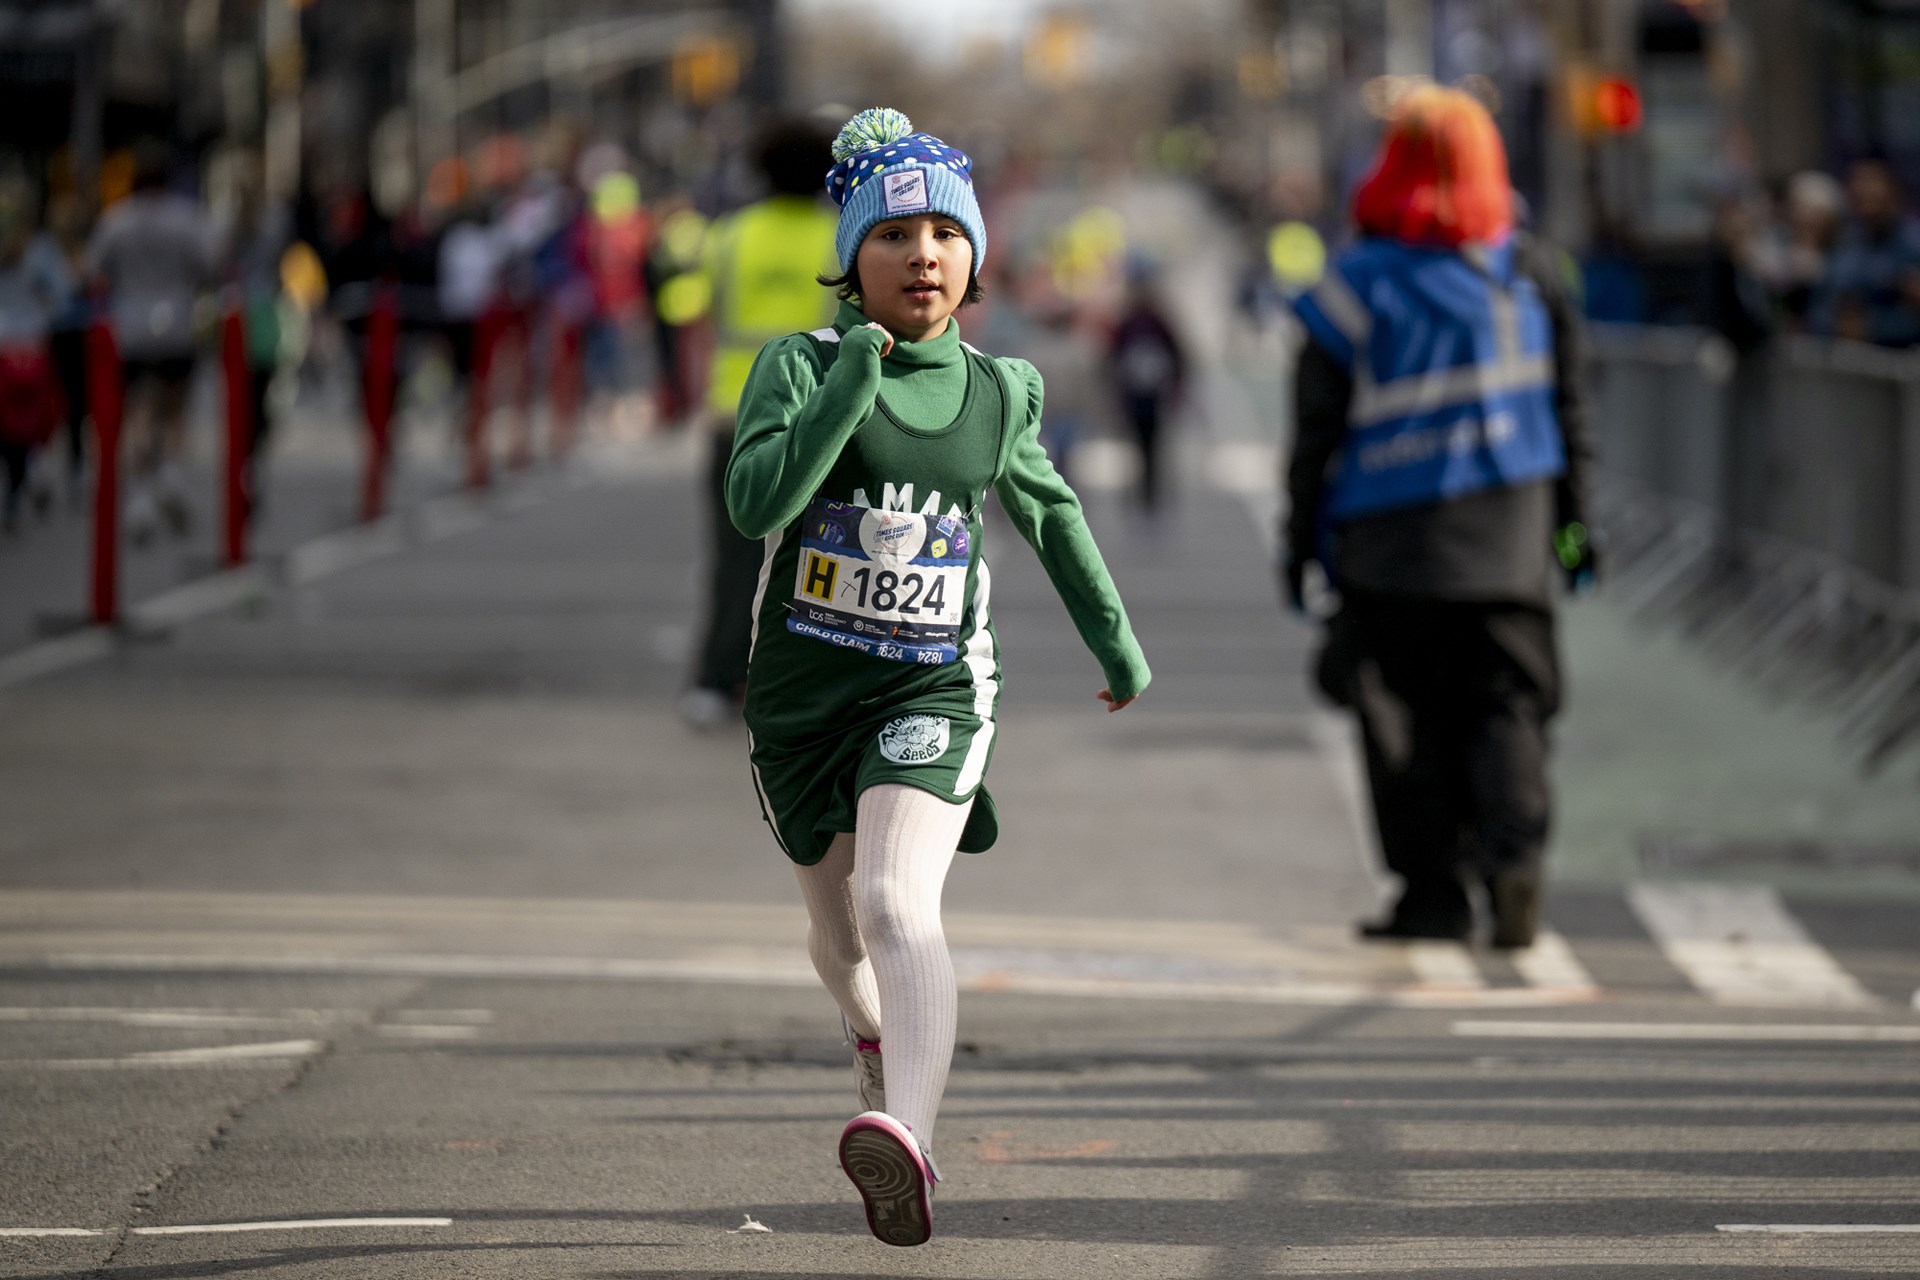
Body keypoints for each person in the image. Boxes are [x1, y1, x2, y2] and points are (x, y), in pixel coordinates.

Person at [726, 108, 1150, 1246]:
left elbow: (1052, 516)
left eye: (944, 234)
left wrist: (1118, 645)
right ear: (852, 262)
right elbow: (756, 505)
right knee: (841, 937)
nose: (924, 254)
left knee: (897, 900)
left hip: (933, 688)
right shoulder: (800, 364)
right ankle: (870, 1035)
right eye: (895, 234)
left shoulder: (1002, 388)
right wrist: (846, 384)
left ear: (972, 259)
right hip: (800, 701)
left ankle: (905, 1138)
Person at [1284, 86, 1595, 950]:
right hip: (1510, 536)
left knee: (1401, 723)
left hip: (1390, 547)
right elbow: (1573, 416)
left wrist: (1299, 546)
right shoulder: (1531, 276)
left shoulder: (1347, 291)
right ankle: (1514, 866)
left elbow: (1314, 439)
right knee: (1509, 707)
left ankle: (1433, 897)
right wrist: (1577, 527)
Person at [680, 120, 839, 727]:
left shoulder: (729, 235)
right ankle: (802, 688)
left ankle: (718, 681)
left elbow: (699, 319)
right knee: (820, 559)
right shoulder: (838, 240)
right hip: (817, 418)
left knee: (732, 556)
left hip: (735, 413)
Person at [86, 144, 217, 544]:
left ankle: (141, 495)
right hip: (176, 324)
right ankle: (171, 474)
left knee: (138, 412)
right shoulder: (185, 219)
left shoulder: (117, 221)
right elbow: (210, 265)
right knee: (175, 408)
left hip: (131, 329)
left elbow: (94, 271)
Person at [0, 178, 76, 533]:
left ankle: (20, 482)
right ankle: (22, 481)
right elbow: (65, 297)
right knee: (25, 427)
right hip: (30, 349)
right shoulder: (41, 251)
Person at [1813, 158, 1920, 348]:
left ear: (1892, 190)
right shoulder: (1844, 243)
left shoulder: (1913, 245)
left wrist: (1873, 328)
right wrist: (1836, 326)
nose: (1863, 189)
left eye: (1872, 181)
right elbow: (1819, 304)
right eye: (1857, 181)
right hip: (1844, 361)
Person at [1105, 264, 1186, 513]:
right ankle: (1143, 496)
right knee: (1140, 448)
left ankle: (1149, 497)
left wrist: (1175, 387)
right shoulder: (1128, 323)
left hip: (1153, 397)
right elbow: (1112, 358)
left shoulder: (1155, 323)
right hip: (1135, 397)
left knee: (1151, 448)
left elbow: (1178, 355)